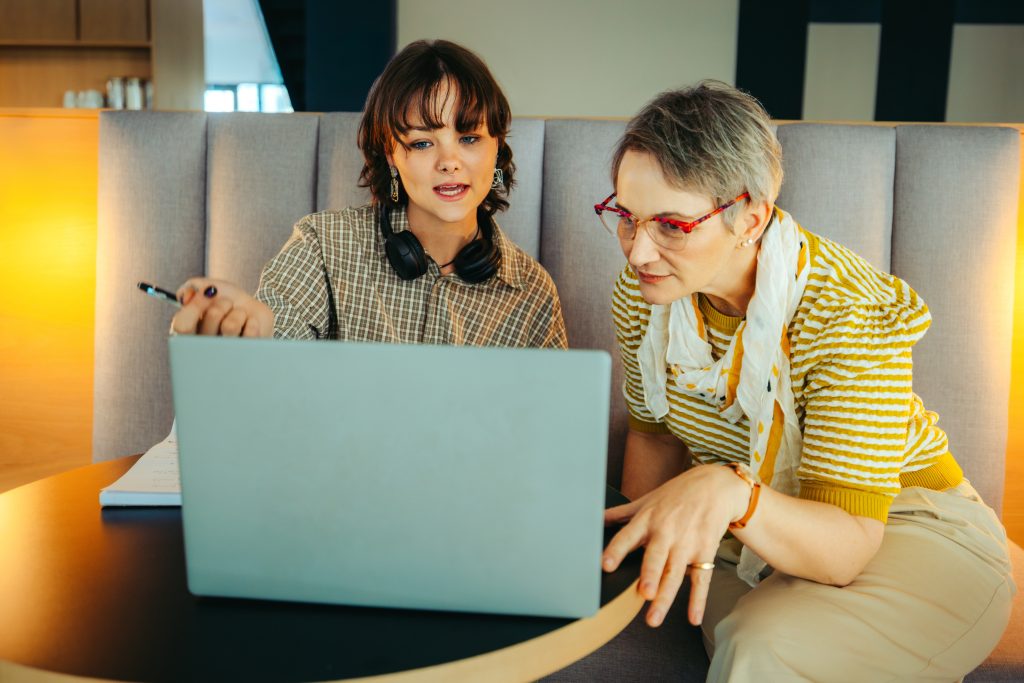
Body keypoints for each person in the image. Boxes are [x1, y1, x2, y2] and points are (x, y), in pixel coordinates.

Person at [594, 81, 1014, 680]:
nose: (638, 253)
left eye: (671, 225)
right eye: (625, 218)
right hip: (751, 529)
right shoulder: (647, 297)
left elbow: (846, 547)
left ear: (751, 217)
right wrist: (633, 552)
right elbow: (656, 437)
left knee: (765, 648)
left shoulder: (843, 312)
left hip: (900, 525)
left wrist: (730, 490)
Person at [170, 40, 566, 349]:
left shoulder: (533, 292)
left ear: (497, 146)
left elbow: (553, 431)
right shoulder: (323, 246)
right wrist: (248, 326)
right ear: (392, 154)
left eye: (469, 138)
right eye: (423, 143)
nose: (449, 161)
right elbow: (278, 331)